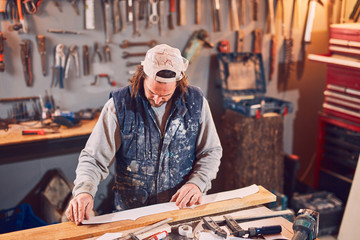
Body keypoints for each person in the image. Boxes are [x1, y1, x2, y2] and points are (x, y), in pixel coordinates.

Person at [65, 44, 222, 225]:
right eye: (152, 92)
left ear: (178, 83)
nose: (157, 100)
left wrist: (197, 183)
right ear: (141, 77)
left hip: (182, 210)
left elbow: (211, 151)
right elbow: (94, 158)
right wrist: (84, 191)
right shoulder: (119, 106)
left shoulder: (196, 104)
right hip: (132, 213)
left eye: (165, 96)